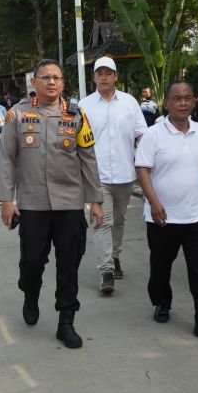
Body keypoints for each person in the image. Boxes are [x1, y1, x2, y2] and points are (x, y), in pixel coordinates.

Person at [0, 59, 103, 349]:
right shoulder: (17, 115)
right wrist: (7, 199)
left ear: (63, 83)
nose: (52, 82)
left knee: (69, 264)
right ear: (34, 82)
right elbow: (6, 158)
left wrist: (95, 200)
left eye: (57, 78)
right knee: (32, 262)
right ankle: (30, 294)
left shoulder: (76, 116)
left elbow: (88, 158)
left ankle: (66, 320)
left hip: (69, 203)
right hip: (32, 204)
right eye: (46, 77)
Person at [136, 81, 198, 339]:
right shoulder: (153, 134)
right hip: (163, 216)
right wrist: (154, 203)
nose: (183, 103)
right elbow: (142, 169)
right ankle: (162, 301)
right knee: (161, 266)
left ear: (194, 101)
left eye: (188, 98)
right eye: (177, 99)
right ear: (166, 103)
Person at [80, 56, 147, 294]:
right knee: (101, 222)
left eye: (109, 73)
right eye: (100, 73)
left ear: (116, 76)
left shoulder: (129, 103)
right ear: (94, 77)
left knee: (118, 221)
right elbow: (79, 142)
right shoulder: (84, 105)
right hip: (97, 176)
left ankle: (115, 256)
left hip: (125, 174)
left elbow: (142, 134)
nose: (104, 77)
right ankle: (106, 271)